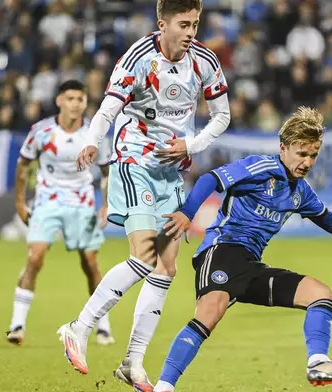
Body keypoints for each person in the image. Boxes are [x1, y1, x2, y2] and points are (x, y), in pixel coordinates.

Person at [150, 107, 332, 391]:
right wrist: (188, 213)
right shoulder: (260, 168)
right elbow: (211, 179)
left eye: (313, 155)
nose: (307, 162)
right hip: (222, 250)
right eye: (301, 154)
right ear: (283, 148)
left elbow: (330, 221)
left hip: (250, 264)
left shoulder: (300, 192)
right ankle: (164, 387)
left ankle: (318, 363)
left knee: (321, 295)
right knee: (211, 312)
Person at [57, 0, 231, 389]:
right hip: (134, 162)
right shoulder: (138, 57)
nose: (191, 32)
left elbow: (222, 115)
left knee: (166, 268)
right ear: (162, 23)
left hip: (170, 171)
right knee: (144, 256)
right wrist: (90, 142)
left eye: (195, 24)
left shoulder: (204, 60)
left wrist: (192, 145)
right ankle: (78, 327)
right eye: (184, 24)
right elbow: (107, 108)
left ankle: (132, 362)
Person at [8, 80, 113, 346]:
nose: (75, 104)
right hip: (47, 201)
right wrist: (20, 203)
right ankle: (17, 325)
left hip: (82, 203)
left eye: (80, 99)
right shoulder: (41, 132)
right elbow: (23, 167)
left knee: (90, 264)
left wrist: (106, 204)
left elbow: (106, 173)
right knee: (35, 258)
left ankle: (103, 326)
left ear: (85, 103)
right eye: (70, 98)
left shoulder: (94, 134)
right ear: (59, 101)